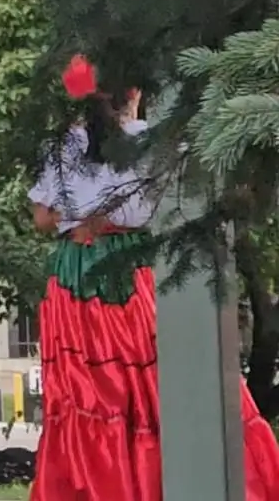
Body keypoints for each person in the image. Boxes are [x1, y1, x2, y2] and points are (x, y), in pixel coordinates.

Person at [28, 57, 279, 501]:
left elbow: (43, 219)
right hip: (135, 265)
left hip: (74, 273)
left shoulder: (65, 145)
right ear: (137, 95)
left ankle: (97, 485)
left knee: (86, 391)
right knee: (149, 378)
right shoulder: (154, 143)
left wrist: (85, 214)